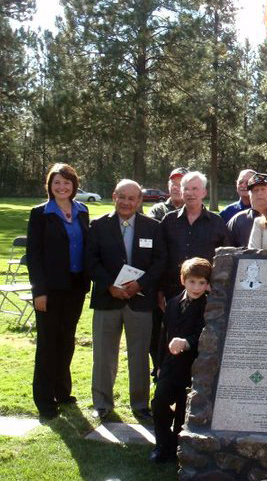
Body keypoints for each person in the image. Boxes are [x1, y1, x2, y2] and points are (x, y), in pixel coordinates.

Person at [86, 179, 166, 420]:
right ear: (114, 197)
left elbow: (160, 262)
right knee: (103, 354)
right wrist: (109, 285)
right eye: (122, 197)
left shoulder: (153, 227)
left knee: (139, 354)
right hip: (106, 299)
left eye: (132, 198)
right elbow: (90, 261)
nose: (126, 202)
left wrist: (140, 284)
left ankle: (140, 404)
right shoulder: (98, 225)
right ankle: (102, 403)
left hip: (140, 301)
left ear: (140, 201)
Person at [26, 163, 91, 420]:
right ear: (50, 186)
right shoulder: (40, 213)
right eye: (57, 183)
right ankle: (44, 401)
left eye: (66, 182)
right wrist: (38, 291)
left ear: (74, 185)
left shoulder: (82, 211)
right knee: (47, 344)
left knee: (66, 341)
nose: (62, 187)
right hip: (49, 291)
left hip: (75, 289)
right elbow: (34, 255)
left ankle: (62, 392)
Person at [150, 257, 210, 464]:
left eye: (202, 283)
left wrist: (187, 342)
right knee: (159, 403)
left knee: (184, 410)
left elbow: (206, 334)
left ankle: (178, 447)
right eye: (192, 282)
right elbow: (163, 335)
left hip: (192, 367)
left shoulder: (209, 307)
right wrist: (158, 365)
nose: (197, 287)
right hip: (169, 366)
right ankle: (161, 445)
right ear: (183, 280)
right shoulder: (174, 303)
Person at [160, 171, 229, 300]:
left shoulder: (217, 222)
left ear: (204, 192)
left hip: (206, 293)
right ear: (181, 192)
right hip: (172, 292)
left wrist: (214, 286)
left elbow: (225, 260)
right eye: (186, 188)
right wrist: (160, 291)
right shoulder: (169, 221)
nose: (190, 193)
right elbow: (159, 257)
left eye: (195, 189)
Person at [147, 166, 187, 377]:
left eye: (181, 183)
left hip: (189, 284)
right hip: (162, 281)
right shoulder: (158, 211)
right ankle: (159, 368)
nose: (176, 187)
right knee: (158, 330)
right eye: (173, 182)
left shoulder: (197, 211)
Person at [226, 173, 267, 247]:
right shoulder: (238, 221)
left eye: (263, 189)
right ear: (250, 195)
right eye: (255, 190)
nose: (259, 193)